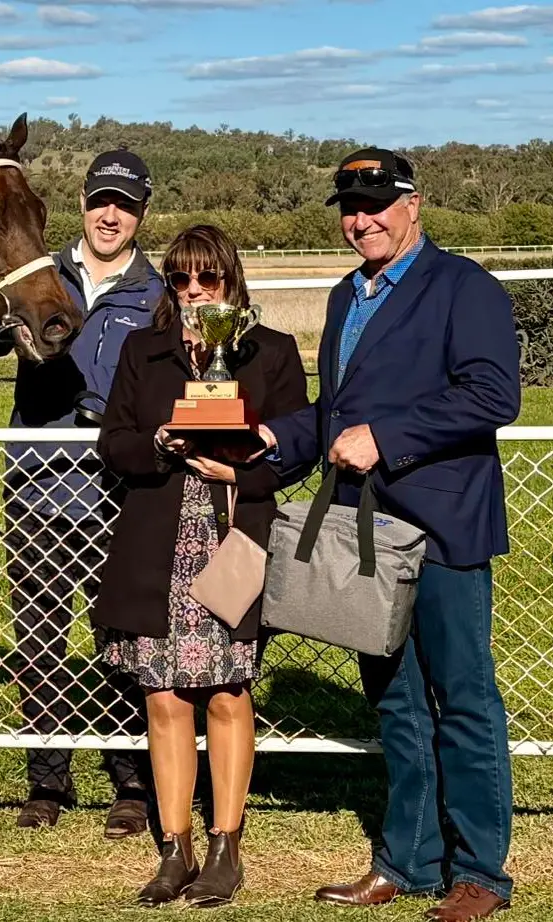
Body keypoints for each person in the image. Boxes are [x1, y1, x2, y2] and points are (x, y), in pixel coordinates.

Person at [257, 149, 520, 922]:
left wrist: (387, 437)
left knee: (462, 699)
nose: (360, 219)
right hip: (365, 532)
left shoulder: (463, 286)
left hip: (441, 527)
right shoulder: (346, 294)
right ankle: (407, 861)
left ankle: (479, 874)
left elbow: (492, 394)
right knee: (397, 705)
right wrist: (272, 439)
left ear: (413, 204)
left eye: (374, 203)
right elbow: (337, 412)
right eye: (348, 206)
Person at [0, 148, 164, 832]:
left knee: (121, 641)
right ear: (82, 204)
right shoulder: (37, 274)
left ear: (140, 214)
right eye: (101, 201)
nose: (110, 216)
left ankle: (131, 781)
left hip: (119, 495)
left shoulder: (155, 294)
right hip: (37, 489)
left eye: (125, 206)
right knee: (38, 641)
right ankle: (47, 780)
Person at [92, 225, 309, 906]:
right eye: (180, 279)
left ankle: (224, 846)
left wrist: (242, 469)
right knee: (161, 697)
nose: (193, 290)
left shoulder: (270, 350)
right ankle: (174, 847)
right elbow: (113, 443)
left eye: (207, 278)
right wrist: (158, 443)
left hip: (232, 537)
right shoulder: (143, 350)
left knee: (226, 692)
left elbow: (300, 446)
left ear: (230, 280)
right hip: (155, 543)